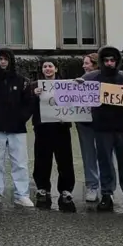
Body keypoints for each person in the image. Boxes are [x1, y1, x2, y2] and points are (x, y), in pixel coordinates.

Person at [82, 46, 123, 213]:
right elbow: (77, 90)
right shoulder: (90, 78)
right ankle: (106, 195)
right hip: (102, 128)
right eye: (106, 60)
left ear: (117, 61)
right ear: (101, 62)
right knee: (105, 163)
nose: (109, 63)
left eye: (112, 60)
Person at [0, 49, 35, 206]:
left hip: (17, 128)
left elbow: (29, 102)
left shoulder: (22, 81)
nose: (3, 62)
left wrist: (21, 118)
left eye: (6, 59)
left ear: (11, 61)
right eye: (0, 59)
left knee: (19, 162)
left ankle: (21, 194)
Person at [30, 61, 76, 212]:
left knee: (64, 159)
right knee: (42, 158)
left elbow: (76, 101)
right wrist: (33, 95)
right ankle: (43, 188)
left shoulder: (66, 85)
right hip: (42, 127)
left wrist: (79, 86)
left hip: (61, 127)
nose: (48, 69)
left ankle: (66, 190)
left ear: (56, 68)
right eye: (45, 66)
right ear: (41, 70)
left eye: (50, 66)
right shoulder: (35, 85)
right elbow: (26, 103)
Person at [75, 53, 102, 202]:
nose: (84, 66)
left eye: (87, 63)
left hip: (102, 123)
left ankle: (106, 186)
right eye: (84, 63)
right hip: (84, 123)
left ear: (95, 64)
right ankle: (92, 186)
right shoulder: (80, 80)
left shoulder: (105, 80)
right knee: (88, 155)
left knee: (105, 156)